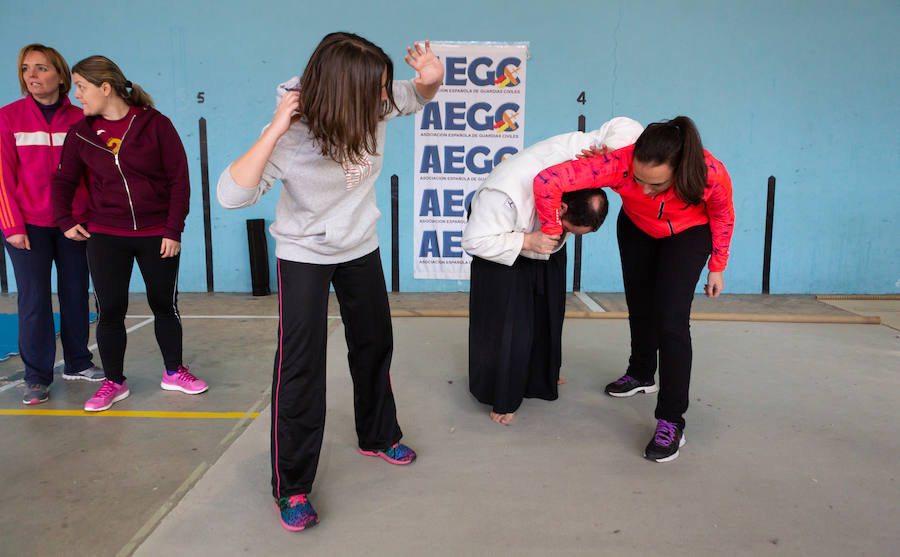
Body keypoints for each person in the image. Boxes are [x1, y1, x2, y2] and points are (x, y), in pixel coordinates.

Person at [217, 33, 443, 531]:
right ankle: (292, 484)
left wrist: (433, 79)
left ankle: (378, 435)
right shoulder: (294, 133)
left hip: (359, 245)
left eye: (385, 88)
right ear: (344, 93)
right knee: (301, 367)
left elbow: (418, 94)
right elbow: (232, 196)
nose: (386, 98)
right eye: (377, 91)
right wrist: (275, 130)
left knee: (373, 344)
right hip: (304, 253)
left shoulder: (375, 103)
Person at [533, 115, 734, 462]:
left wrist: (717, 266)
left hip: (687, 233)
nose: (641, 189)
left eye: (654, 184)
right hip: (638, 228)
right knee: (639, 304)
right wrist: (551, 229)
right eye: (636, 179)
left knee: (671, 323)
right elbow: (546, 180)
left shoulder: (709, 174)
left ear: (679, 171)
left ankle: (671, 419)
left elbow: (722, 215)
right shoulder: (619, 162)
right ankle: (642, 372)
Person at [462, 117, 643, 425]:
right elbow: (474, 241)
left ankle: (541, 374)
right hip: (503, 237)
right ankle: (503, 394)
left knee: (549, 309)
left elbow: (627, 125)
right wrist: (526, 241)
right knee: (512, 321)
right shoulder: (502, 195)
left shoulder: (588, 155)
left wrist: (609, 154)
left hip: (542, 233)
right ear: (559, 209)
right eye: (569, 229)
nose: (566, 235)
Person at [52, 55, 207, 413]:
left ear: (105, 88)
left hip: (157, 234)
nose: (76, 95)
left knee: (164, 305)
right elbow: (63, 181)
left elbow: (179, 181)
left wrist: (173, 230)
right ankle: (113, 382)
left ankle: (173, 372)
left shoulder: (155, 125)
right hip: (106, 234)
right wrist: (63, 219)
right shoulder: (81, 133)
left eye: (82, 87)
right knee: (110, 310)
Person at [0, 44, 103, 405]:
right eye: (26, 69)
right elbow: (1, 176)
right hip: (26, 225)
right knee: (34, 301)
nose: (32, 75)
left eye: (41, 68)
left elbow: (93, 175)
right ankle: (36, 376)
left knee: (76, 293)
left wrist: (93, 218)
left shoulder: (82, 118)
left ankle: (77, 362)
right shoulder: (8, 117)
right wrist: (12, 225)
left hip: (74, 224)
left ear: (60, 75)